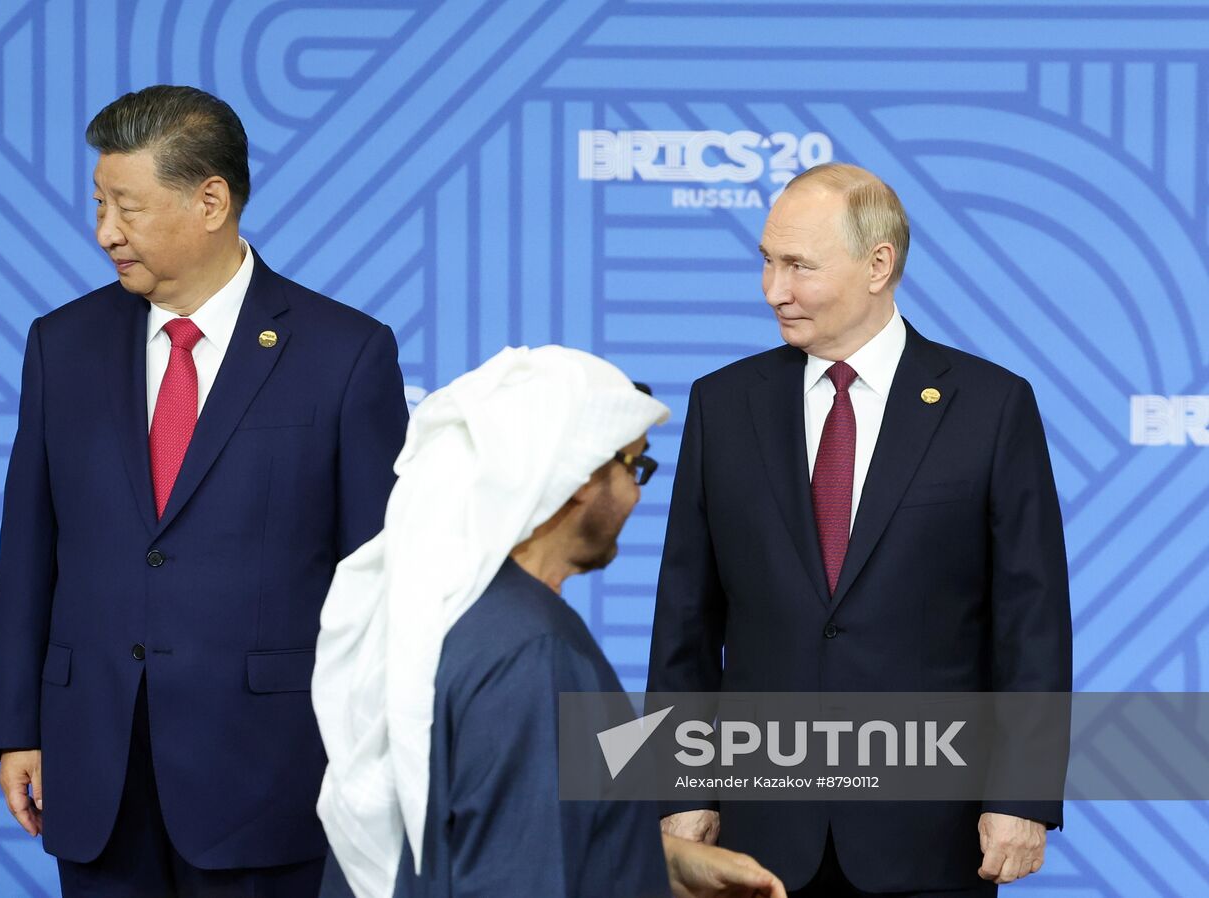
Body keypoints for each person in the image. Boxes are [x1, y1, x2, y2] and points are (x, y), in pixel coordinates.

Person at [0, 85, 408, 897]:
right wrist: (16, 727)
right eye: (100, 204)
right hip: (95, 762)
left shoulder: (344, 353)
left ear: (211, 199)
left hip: (270, 771)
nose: (105, 232)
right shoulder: (60, 344)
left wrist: (372, 758)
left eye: (127, 208)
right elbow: (28, 547)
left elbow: (376, 576)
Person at [648, 163, 1072, 896]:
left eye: (798, 266)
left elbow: (1031, 624)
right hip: (762, 835)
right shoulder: (723, 404)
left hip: (930, 834)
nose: (772, 290)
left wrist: (1022, 796)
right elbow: (685, 618)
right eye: (767, 262)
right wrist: (680, 790)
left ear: (879, 265)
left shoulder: (990, 406)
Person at [313, 347, 787, 898]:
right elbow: (514, 876)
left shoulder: (434, 615)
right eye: (633, 465)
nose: (636, 492)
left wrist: (662, 866)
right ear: (581, 475)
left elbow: (484, 837)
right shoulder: (533, 653)